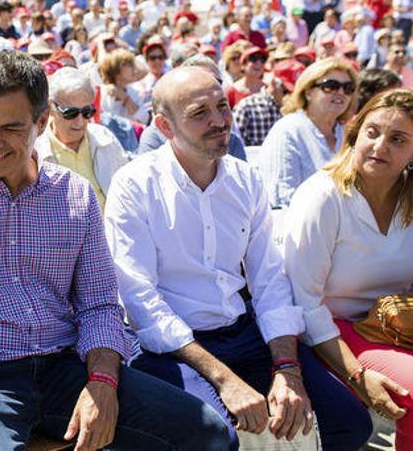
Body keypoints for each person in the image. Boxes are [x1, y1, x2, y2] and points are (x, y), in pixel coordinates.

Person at [0, 51, 231, 451]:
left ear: (41, 122)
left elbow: (100, 306)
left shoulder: (74, 195)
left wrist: (102, 383)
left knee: (209, 435)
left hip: (65, 367)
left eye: (10, 128)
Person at [104, 66, 373, 451]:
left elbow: (270, 282)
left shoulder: (245, 180)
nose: (219, 121)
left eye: (221, 106)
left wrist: (287, 370)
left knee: (348, 423)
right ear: (164, 127)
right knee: (219, 439)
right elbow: (140, 302)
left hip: (242, 332)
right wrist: (225, 380)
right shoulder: (135, 185)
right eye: (200, 113)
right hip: (169, 346)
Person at [284, 89, 413, 451]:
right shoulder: (323, 196)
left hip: (398, 324)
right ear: (354, 134)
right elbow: (304, 301)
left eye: (398, 139)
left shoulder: (411, 196)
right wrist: (357, 375)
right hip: (338, 328)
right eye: (372, 132)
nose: (380, 146)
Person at [260, 58, 358, 208]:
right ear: (308, 92)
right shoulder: (288, 130)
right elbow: (282, 198)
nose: (341, 92)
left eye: (348, 88)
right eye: (330, 86)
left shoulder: (347, 134)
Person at [34, 67, 127, 210]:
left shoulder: (105, 139)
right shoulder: (35, 150)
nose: (80, 121)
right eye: (71, 113)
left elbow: (127, 190)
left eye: (86, 112)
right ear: (50, 108)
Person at [233, 59, 303, 146]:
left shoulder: (302, 108)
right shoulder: (247, 107)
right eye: (287, 92)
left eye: (296, 93)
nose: (292, 97)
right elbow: (234, 147)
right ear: (274, 83)